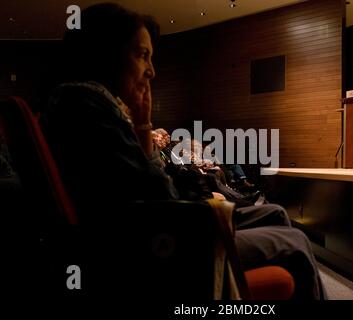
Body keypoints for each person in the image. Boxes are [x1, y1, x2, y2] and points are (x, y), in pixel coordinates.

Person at [40, 3, 326, 300]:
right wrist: (202, 199)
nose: (152, 70)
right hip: (151, 245)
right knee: (294, 241)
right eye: (143, 55)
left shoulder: (83, 102)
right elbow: (157, 192)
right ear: (105, 54)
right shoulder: (86, 105)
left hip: (159, 225)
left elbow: (145, 184)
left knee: (276, 213)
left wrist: (142, 123)